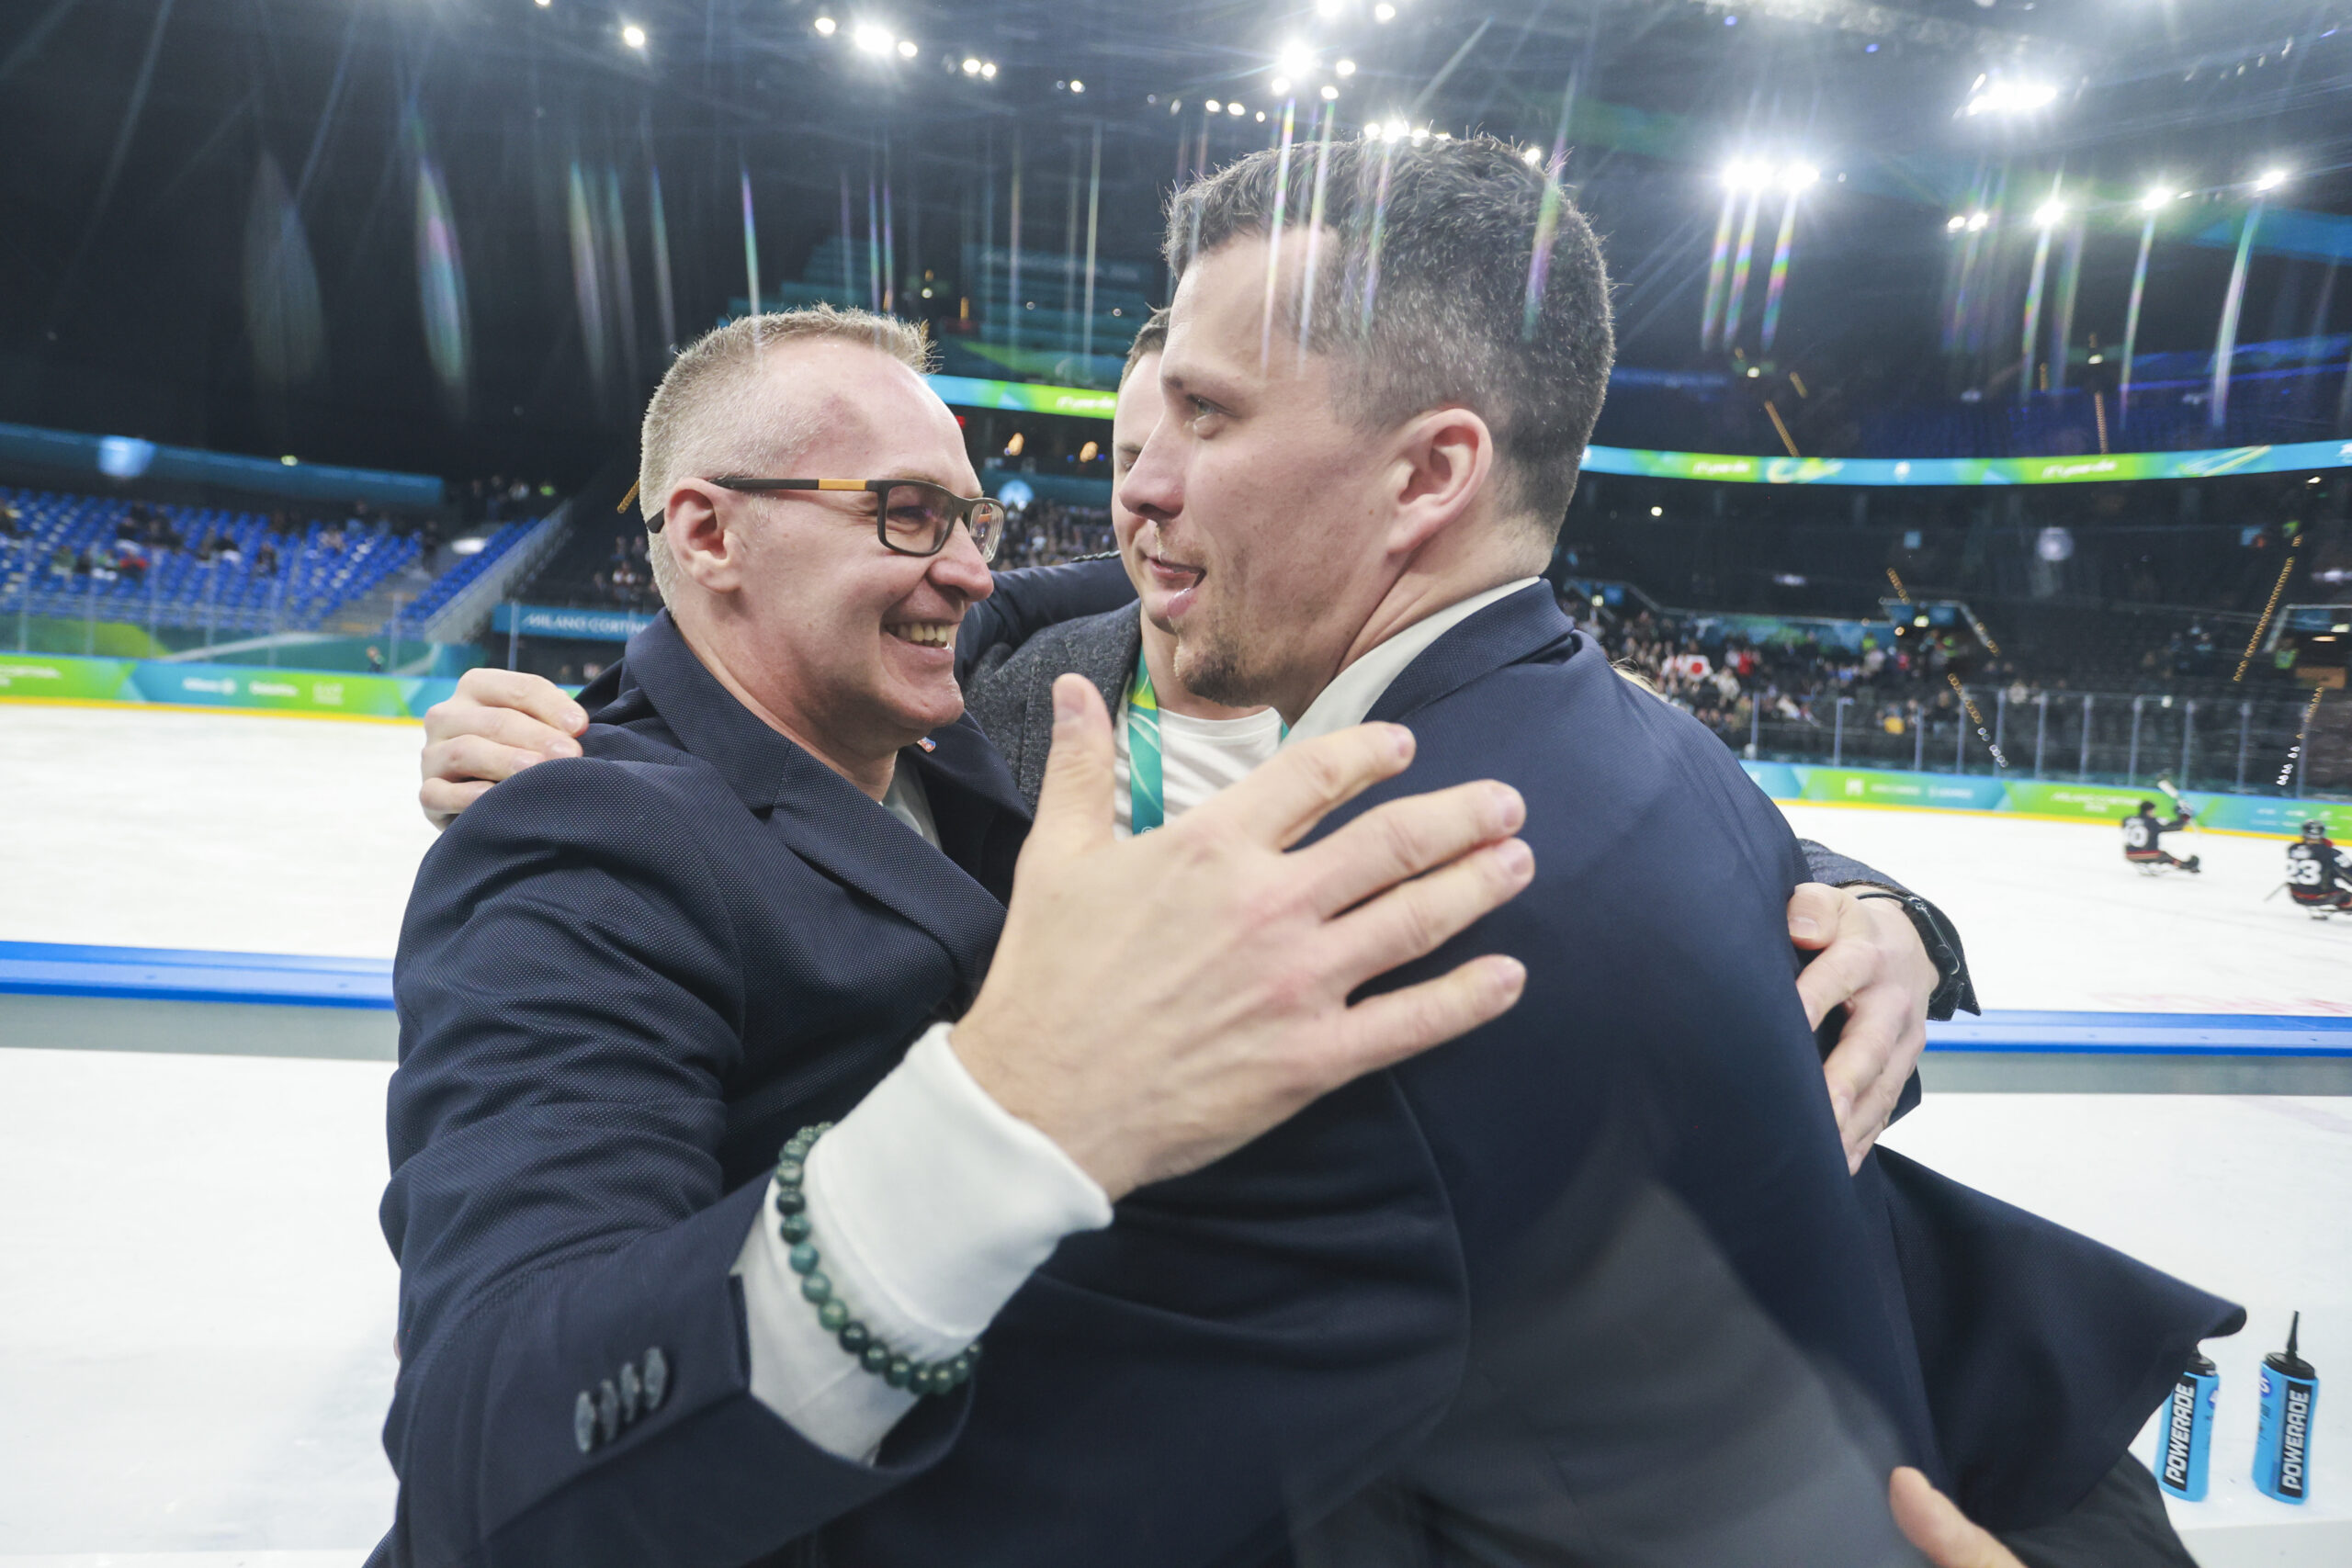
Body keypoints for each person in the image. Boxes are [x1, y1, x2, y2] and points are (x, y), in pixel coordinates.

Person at [378, 306, 1535, 1564]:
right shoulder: (577, 841)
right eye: (907, 513)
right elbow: (486, 1448)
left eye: (972, 520)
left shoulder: (927, 722)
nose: (971, 571)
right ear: (708, 533)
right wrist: (1004, 1108)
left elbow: (1097, 575)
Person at [426, 311, 1969, 1174]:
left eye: (1205, 441)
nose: (1152, 495)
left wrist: (1879, 912)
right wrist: (569, 733)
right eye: (1127, 453)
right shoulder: (1017, 682)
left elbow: (1616, 798)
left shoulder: (1405, 681)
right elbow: (767, 661)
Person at [2285, 818, 2352, 914]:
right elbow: (2349, 872)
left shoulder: (2292, 848)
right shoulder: (2331, 852)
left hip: (2296, 896)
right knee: (2346, 896)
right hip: (2322, 897)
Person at [2122, 798, 2199, 873]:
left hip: (2129, 855)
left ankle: (2145, 865)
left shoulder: (2127, 820)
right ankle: (2188, 866)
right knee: (2164, 856)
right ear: (2150, 810)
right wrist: (2185, 816)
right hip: (2149, 855)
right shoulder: (2154, 821)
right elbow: (2176, 826)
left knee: (2158, 854)